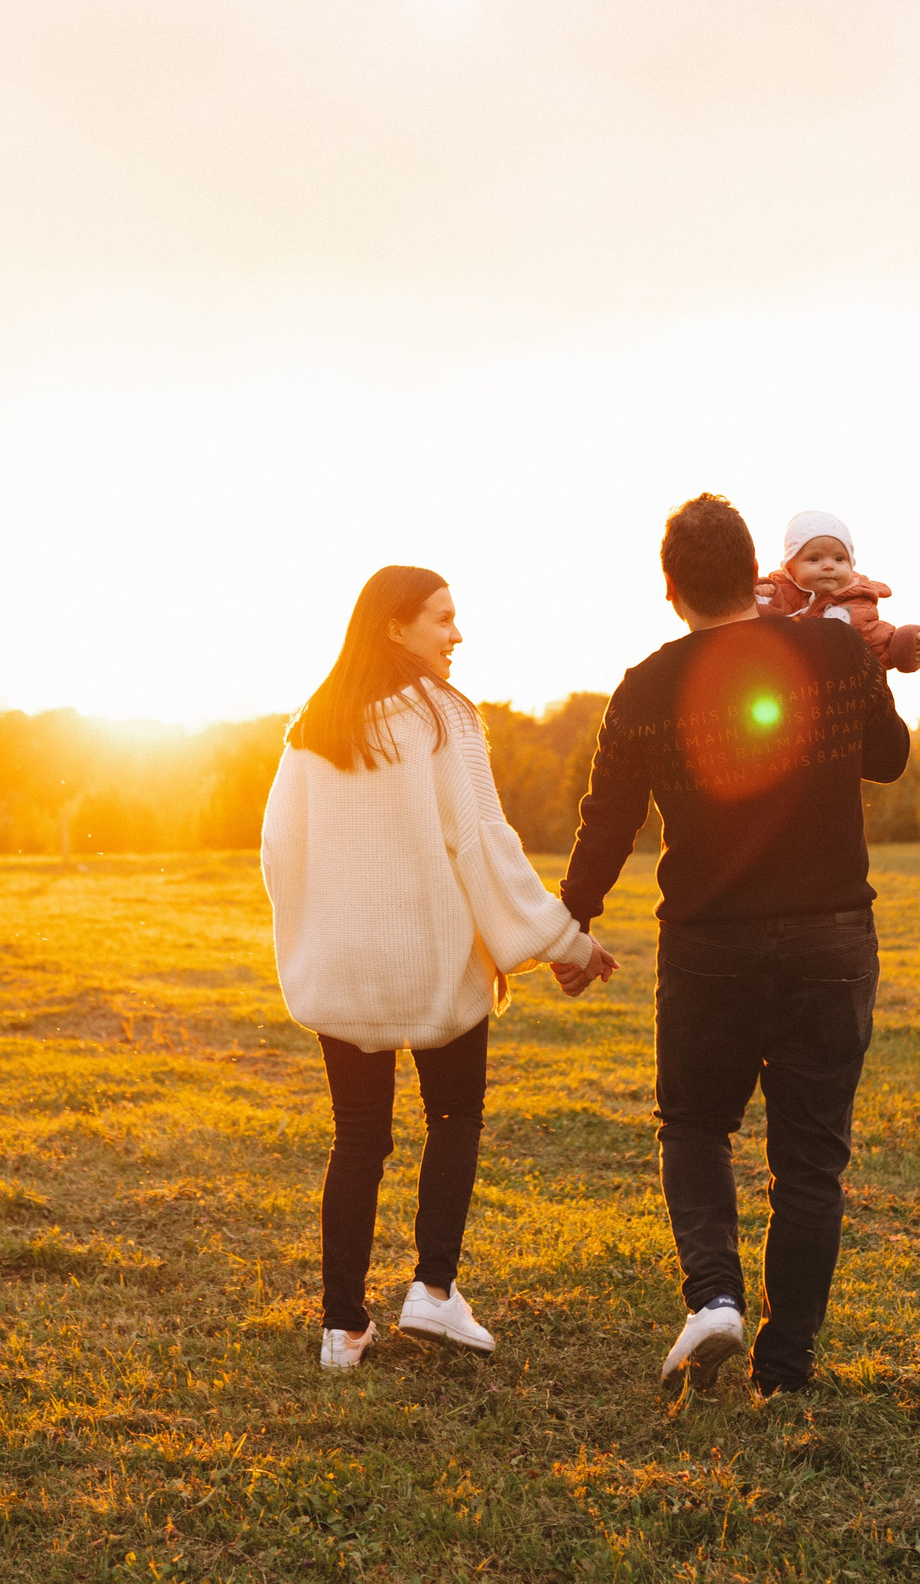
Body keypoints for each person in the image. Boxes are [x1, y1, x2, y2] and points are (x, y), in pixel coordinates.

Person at [555, 495, 911, 1396]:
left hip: (710, 943)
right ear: (763, 570)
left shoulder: (643, 685)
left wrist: (573, 922)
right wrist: (868, 663)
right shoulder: (832, 651)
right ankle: (784, 1368)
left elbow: (610, 822)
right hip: (832, 937)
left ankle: (714, 1295)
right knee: (810, 1160)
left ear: (671, 589)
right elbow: (889, 756)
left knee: (696, 1124)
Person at [262, 565, 615, 1371]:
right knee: (453, 1118)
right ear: (395, 627)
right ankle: (433, 1290)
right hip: (433, 965)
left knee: (358, 1138)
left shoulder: (313, 724)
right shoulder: (442, 716)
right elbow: (483, 845)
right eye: (442, 619)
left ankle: (340, 1329)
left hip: (346, 968)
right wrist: (566, 941)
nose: (457, 635)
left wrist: (318, 932)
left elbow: (279, 848)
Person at [752, 509, 920, 673]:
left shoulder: (857, 605)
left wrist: (909, 643)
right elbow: (748, 620)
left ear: (851, 565)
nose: (828, 566)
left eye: (839, 559)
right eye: (814, 559)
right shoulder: (779, 596)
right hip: (786, 687)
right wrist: (759, 591)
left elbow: (881, 643)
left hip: (836, 692)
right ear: (790, 568)